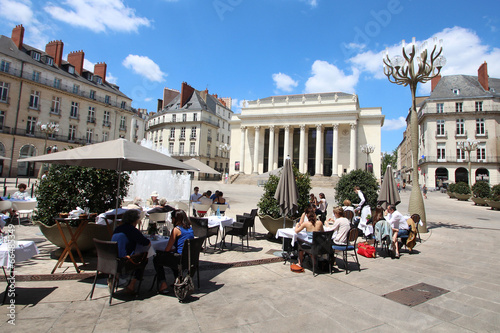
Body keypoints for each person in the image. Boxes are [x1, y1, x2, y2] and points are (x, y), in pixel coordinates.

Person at [153, 210, 194, 295]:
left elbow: (168, 248)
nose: (171, 220)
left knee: (157, 259)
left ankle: (163, 283)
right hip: (189, 258)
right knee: (172, 257)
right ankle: (178, 278)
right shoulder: (190, 228)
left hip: (179, 259)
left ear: (176, 219)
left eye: (172, 218)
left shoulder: (176, 230)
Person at [111, 209, 151, 293]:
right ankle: (131, 285)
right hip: (124, 262)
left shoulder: (118, 229)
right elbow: (146, 243)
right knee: (144, 258)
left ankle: (115, 278)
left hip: (112, 260)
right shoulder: (132, 230)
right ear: (135, 220)